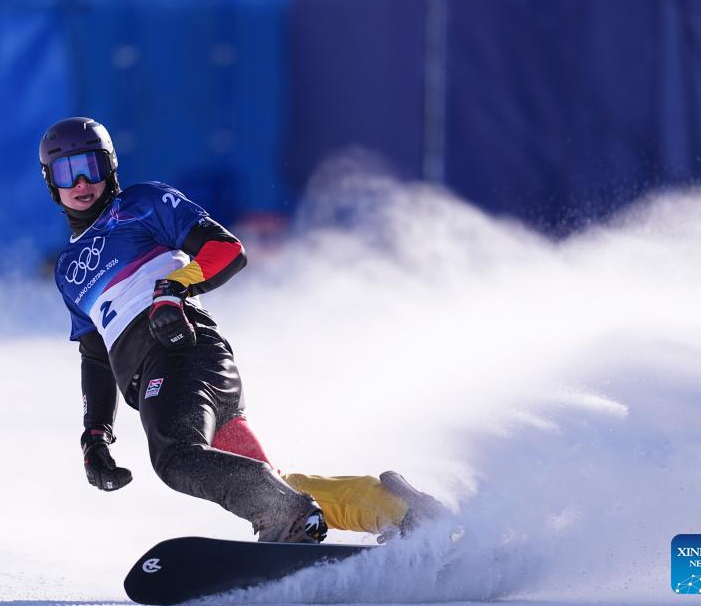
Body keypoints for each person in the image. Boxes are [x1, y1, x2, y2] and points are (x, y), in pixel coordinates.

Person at [41, 116, 443, 543]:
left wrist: (173, 288)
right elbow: (95, 356)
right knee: (273, 482)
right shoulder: (67, 271)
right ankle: (398, 510)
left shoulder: (141, 204)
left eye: (92, 166)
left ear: (111, 167)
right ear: (51, 182)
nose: (82, 182)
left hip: (182, 353)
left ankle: (284, 516)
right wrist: (95, 435)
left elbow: (225, 249)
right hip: (168, 379)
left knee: (177, 458)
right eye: (67, 172)